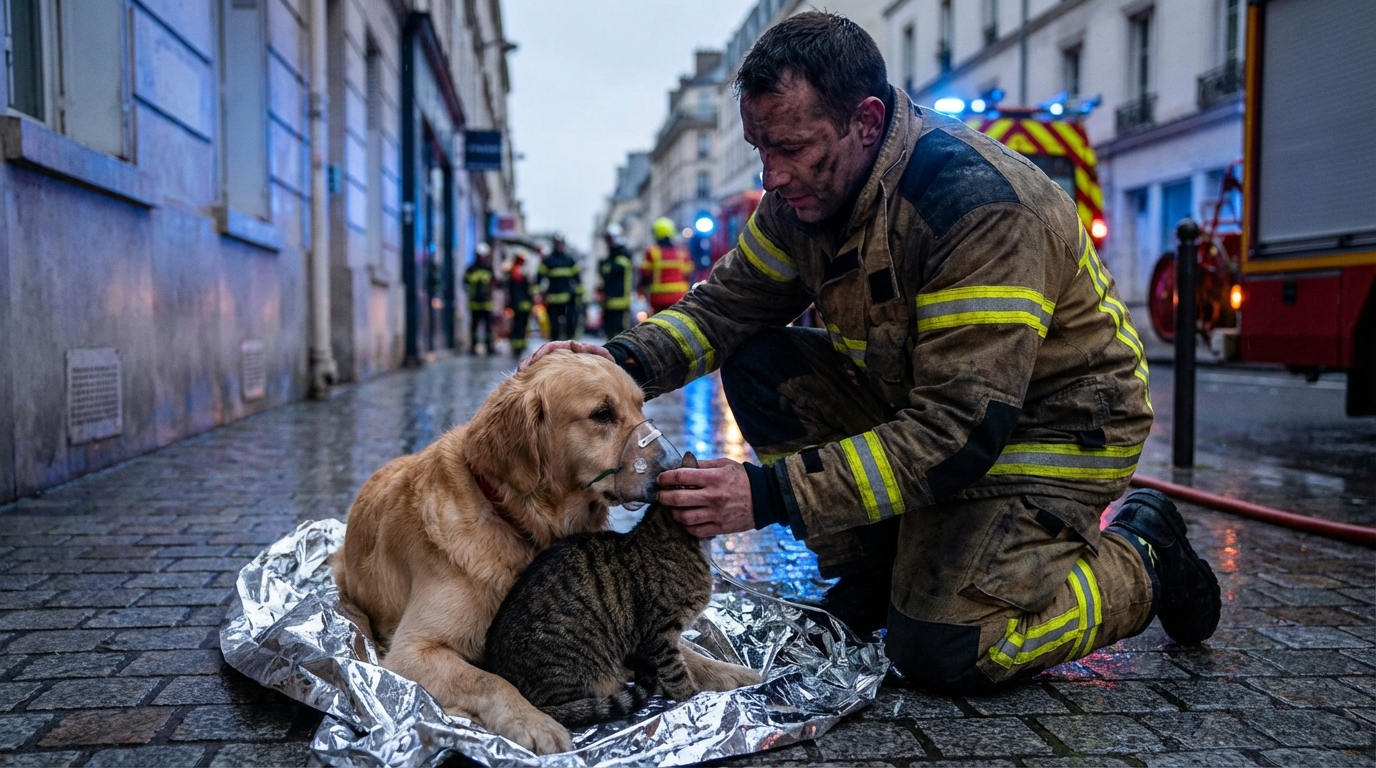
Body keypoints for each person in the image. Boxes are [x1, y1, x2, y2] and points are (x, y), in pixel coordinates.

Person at [524, 12, 1219, 694]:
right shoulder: (807, 201)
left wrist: (766, 494)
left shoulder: (977, 211)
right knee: (762, 361)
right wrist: (612, 366)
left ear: (864, 121)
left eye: (792, 148)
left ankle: (1144, 557)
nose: (773, 175)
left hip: (1052, 429)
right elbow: (724, 311)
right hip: (934, 408)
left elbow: (955, 433)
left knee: (946, 646)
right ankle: (875, 569)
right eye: (762, 149)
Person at [639, 217, 693, 314]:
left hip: (658, 299)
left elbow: (645, 276)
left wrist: (642, 291)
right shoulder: (681, 252)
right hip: (679, 297)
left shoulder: (652, 252)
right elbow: (688, 273)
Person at [539, 235, 580, 342]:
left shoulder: (569, 260)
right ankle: (554, 345)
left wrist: (578, 293)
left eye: (562, 243)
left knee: (570, 323)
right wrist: (538, 292)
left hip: (568, 299)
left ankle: (569, 344)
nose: (560, 246)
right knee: (554, 325)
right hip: (552, 299)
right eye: (558, 243)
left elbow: (577, 278)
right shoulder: (549, 261)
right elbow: (539, 277)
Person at [599, 225, 635, 337]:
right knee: (609, 329)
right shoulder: (612, 255)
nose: (607, 242)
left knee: (620, 330)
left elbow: (612, 271)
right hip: (610, 300)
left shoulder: (621, 255)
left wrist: (604, 266)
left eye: (609, 239)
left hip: (621, 300)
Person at [464, 243, 495, 355]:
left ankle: (489, 347)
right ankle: (473, 346)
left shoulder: (489, 269)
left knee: (488, 328)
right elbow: (465, 282)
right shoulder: (471, 269)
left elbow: (493, 284)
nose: (483, 258)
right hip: (474, 303)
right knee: (474, 326)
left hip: (487, 303)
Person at [505, 251, 535, 357]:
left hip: (520, 305)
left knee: (520, 326)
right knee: (519, 327)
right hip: (520, 305)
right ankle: (518, 346)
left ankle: (519, 346)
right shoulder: (518, 271)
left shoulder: (517, 271)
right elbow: (519, 290)